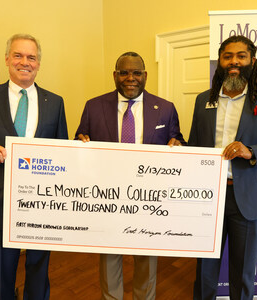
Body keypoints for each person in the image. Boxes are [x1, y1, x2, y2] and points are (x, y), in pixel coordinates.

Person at [188, 35, 257, 300]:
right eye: (228, 56)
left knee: (242, 274)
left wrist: (251, 151)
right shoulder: (202, 100)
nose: (234, 62)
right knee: (204, 270)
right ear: (220, 61)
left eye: (241, 55)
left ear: (252, 60)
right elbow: (195, 145)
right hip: (208, 199)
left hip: (250, 198)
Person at [0, 34, 68, 300]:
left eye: (31, 57)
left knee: (38, 271)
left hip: (43, 205)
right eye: (18, 55)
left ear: (38, 63)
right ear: (7, 59)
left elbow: (63, 151)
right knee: (1, 275)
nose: (24, 62)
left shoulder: (54, 102)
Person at [75, 52, 185, 300]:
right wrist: (81, 142)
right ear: (115, 75)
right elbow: (80, 141)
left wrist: (177, 145)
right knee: (109, 254)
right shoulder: (94, 106)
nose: (130, 78)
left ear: (145, 76)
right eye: (124, 72)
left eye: (136, 72)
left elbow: (179, 142)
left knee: (146, 255)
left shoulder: (165, 108)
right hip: (107, 196)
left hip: (148, 197)